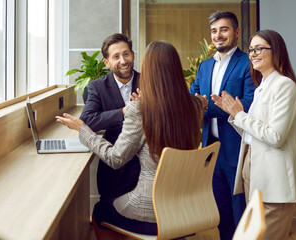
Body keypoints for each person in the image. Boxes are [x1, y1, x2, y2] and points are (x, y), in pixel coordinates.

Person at [56, 41, 203, 239]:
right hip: (183, 207)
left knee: (100, 211)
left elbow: (115, 158)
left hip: (149, 210)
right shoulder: (195, 105)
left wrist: (82, 129)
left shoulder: (140, 109)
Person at [211, 29, 296, 240]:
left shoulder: (285, 86)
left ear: (276, 52)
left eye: (259, 49)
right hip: (252, 168)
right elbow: (253, 133)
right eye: (251, 50)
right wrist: (234, 115)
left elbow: (275, 136)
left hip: (274, 177)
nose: (253, 54)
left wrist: (240, 115)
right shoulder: (261, 88)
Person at [189, 11, 256, 240]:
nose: (218, 35)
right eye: (214, 31)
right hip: (211, 148)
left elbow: (248, 103)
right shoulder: (205, 66)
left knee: (241, 210)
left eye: (224, 29)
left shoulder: (248, 63)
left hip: (237, 148)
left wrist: (206, 106)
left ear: (236, 32)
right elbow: (193, 96)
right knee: (222, 212)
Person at [79, 33, 141, 200]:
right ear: (107, 62)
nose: (123, 61)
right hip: (115, 169)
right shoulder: (96, 87)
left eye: (126, 54)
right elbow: (87, 121)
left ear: (133, 55)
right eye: (116, 56)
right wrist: (123, 112)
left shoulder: (149, 82)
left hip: (147, 167)